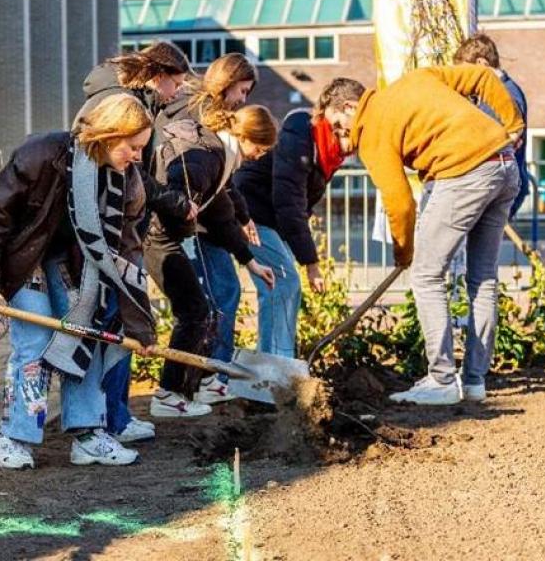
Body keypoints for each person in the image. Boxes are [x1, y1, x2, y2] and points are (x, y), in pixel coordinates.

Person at [0, 93, 158, 470]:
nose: (137, 157)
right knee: (34, 343)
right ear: (109, 134)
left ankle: (88, 435)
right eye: (132, 147)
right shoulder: (43, 154)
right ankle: (15, 437)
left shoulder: (125, 183)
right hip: (25, 259)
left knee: (86, 335)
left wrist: (141, 329)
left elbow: (127, 255)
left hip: (75, 266)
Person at [333, 64, 524, 406]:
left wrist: (403, 252)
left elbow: (400, 203)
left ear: (350, 107)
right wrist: (513, 125)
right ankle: (475, 382)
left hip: (463, 172)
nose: (341, 135)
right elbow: (482, 77)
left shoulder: (371, 129)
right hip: (505, 165)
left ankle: (441, 379)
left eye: (338, 126)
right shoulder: (417, 79)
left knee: (425, 275)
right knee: (482, 278)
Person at [72, 41, 196, 442]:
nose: (175, 94)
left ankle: (118, 415)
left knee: (121, 325)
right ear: (157, 76)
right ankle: (110, 420)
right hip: (111, 235)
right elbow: (127, 178)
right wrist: (175, 201)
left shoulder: (131, 101)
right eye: (174, 85)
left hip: (124, 233)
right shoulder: (119, 103)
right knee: (115, 327)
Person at [145, 104, 277, 418]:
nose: (259, 156)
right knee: (194, 311)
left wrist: (250, 262)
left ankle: (197, 383)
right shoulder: (207, 155)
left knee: (201, 310)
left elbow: (222, 217)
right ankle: (169, 393)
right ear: (244, 138)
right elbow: (179, 176)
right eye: (260, 148)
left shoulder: (222, 158)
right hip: (156, 238)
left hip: (169, 237)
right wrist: (181, 203)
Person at [234, 77, 366, 358]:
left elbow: (300, 204)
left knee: (280, 284)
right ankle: (276, 369)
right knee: (283, 282)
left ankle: (275, 364)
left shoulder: (327, 149)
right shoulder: (301, 135)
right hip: (251, 213)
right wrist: (311, 262)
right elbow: (289, 201)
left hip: (269, 219)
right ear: (343, 108)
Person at [453, 32, 530, 218]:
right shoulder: (496, 93)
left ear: (482, 64)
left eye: (465, 72)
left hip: (491, 188)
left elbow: (491, 145)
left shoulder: (503, 96)